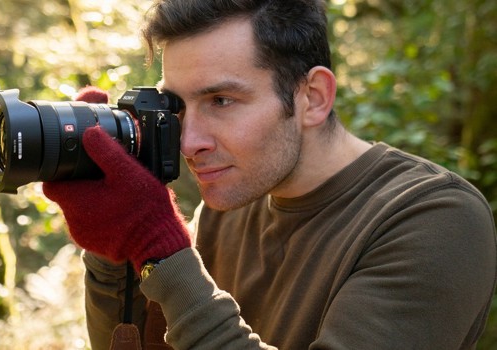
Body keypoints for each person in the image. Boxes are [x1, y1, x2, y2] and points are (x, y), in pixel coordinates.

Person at [43, 0, 497, 349]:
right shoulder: (229, 207)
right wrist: (114, 253)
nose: (188, 141)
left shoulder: (436, 218)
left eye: (221, 100)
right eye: (178, 106)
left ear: (314, 97)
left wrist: (161, 251)